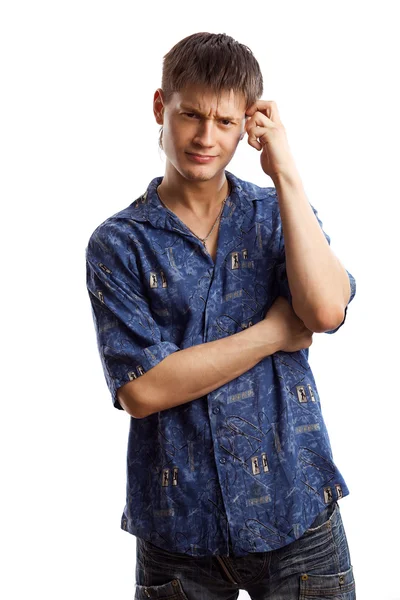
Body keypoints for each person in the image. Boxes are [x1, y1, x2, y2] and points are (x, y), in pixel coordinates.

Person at [85, 32, 356, 600]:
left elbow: (328, 309)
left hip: (297, 513)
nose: (206, 137)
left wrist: (285, 174)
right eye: (190, 116)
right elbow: (143, 388)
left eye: (225, 122)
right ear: (161, 108)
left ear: (247, 126)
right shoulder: (119, 244)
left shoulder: (275, 214)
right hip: (177, 528)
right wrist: (274, 333)